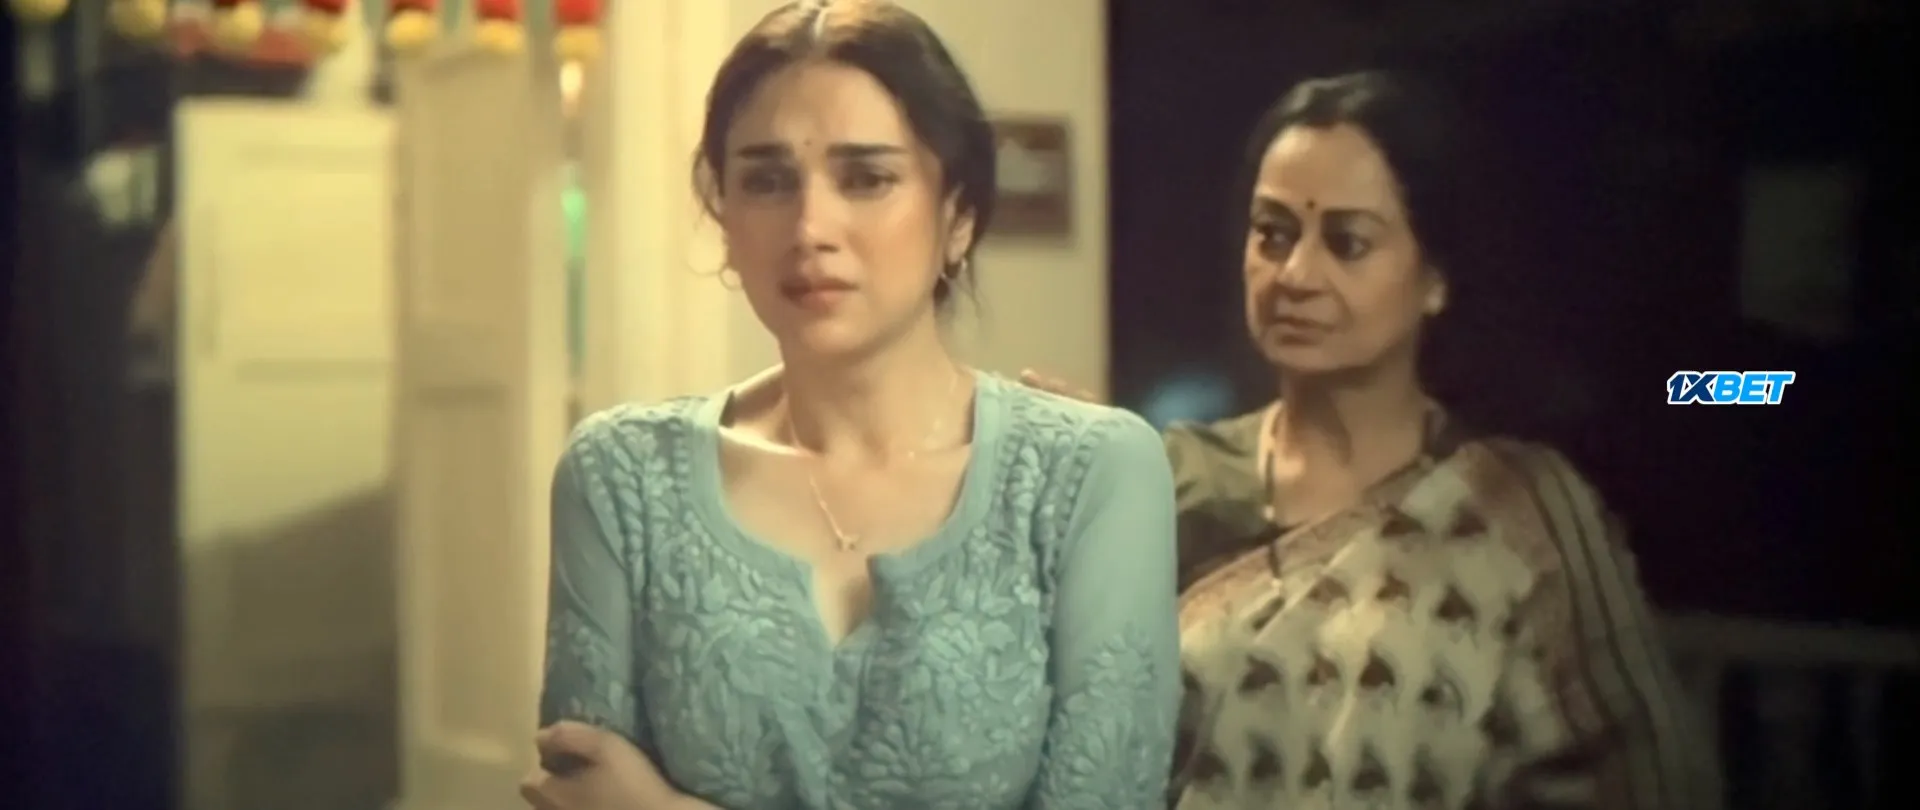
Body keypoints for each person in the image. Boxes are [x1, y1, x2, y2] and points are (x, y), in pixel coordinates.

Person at [517, 2, 1182, 809]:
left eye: (866, 178)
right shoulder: (624, 480)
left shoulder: (1089, 475)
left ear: (958, 215)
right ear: (723, 215)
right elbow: (582, 791)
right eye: (767, 181)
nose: (810, 226)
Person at [1023, 70, 1722, 809]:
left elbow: (1648, 778)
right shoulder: (1170, 479)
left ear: (1435, 278)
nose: (1296, 274)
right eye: (1272, 234)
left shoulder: (1518, 515)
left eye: (1347, 242)